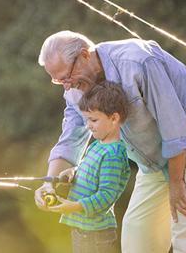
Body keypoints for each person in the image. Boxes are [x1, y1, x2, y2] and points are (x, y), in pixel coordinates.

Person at [34, 30, 186, 252]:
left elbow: (174, 126)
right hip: (157, 159)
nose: (66, 85)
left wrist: (176, 182)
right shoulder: (76, 88)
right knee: (137, 235)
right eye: (58, 80)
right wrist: (49, 182)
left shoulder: (137, 61)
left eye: (66, 76)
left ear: (84, 55)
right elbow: (72, 134)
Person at [45, 81, 131, 253]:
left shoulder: (113, 154)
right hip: (83, 229)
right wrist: (73, 172)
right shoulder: (97, 145)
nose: (88, 125)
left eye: (93, 120)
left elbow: (106, 195)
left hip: (96, 234)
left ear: (114, 118)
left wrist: (75, 206)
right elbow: (90, 171)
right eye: (86, 120)